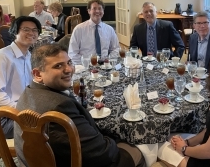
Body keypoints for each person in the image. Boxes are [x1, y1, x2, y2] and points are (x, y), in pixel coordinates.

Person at [15, 44, 145, 167]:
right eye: (58, 66)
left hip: (38, 161)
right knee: (139, 151)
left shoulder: (28, 92)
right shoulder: (59, 107)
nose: (68, 69)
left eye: (69, 63)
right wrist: (116, 140)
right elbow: (100, 153)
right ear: (37, 74)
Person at [0, 16, 41, 139]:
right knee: (49, 125)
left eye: (35, 30)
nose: (31, 33)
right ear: (15, 31)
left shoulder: (29, 56)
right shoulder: (1, 58)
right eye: (26, 29)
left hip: (22, 110)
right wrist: (24, 111)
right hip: (2, 119)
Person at [68, 0, 119, 64]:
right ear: (89, 11)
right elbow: (72, 53)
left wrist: (108, 60)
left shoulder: (109, 30)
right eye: (94, 8)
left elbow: (116, 48)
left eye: (100, 9)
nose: (97, 11)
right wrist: (87, 64)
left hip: (105, 65)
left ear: (103, 11)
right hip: (85, 66)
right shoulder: (79, 29)